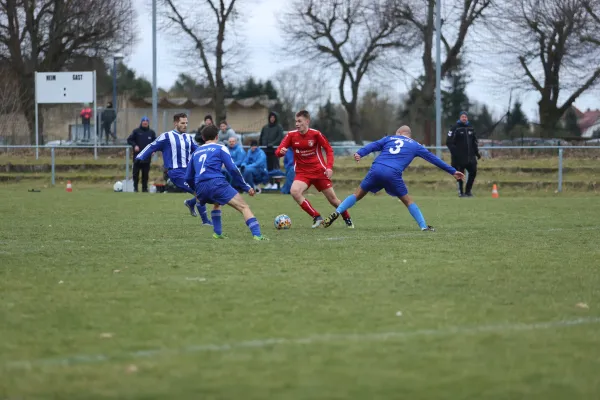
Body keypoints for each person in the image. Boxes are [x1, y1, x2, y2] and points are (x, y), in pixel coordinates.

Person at [323, 126, 464, 230]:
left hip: (376, 168)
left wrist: (360, 153)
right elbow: (434, 159)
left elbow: (373, 145)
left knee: (357, 194)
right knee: (407, 201)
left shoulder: (389, 138)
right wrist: (452, 171)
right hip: (393, 173)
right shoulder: (416, 145)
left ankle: (337, 212)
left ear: (400, 133)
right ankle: (423, 227)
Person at [185, 125, 268, 241]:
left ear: (203, 137)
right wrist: (246, 186)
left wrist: (196, 190)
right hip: (216, 183)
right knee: (244, 206)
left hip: (200, 186)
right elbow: (233, 169)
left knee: (216, 203)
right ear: (217, 136)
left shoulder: (196, 152)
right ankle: (258, 235)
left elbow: (188, 177)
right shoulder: (220, 148)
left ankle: (217, 233)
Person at [275, 110, 353, 228]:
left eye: (299, 121)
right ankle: (316, 217)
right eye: (296, 121)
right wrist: (281, 152)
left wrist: (329, 167)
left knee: (333, 200)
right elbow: (278, 151)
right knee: (294, 192)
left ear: (307, 121)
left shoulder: (316, 134)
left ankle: (347, 219)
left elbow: (329, 149)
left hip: (318, 172)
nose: (297, 124)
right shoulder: (291, 135)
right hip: (302, 173)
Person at [135, 112, 212, 225]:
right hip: (176, 173)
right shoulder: (166, 136)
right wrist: (140, 156)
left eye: (186, 123)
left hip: (190, 171)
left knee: (205, 191)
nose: (185, 125)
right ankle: (205, 221)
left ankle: (191, 203)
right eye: (182, 123)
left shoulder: (188, 137)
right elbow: (152, 146)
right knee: (199, 193)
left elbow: (198, 151)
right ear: (175, 123)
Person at [446, 111, 481, 197]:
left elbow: (474, 142)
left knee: (473, 172)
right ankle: (461, 193)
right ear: (460, 118)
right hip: (459, 158)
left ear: (467, 118)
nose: (464, 118)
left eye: (465, 117)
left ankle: (468, 191)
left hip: (470, 157)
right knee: (460, 174)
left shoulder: (471, 128)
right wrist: (455, 153)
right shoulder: (454, 128)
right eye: (462, 117)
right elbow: (449, 142)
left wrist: (477, 153)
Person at [127, 116, 157, 192]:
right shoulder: (136, 131)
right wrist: (135, 145)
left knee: (145, 174)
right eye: (143, 122)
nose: (145, 123)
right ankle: (135, 188)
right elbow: (129, 140)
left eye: (146, 122)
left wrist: (154, 150)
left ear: (148, 123)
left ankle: (144, 188)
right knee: (136, 174)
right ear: (141, 122)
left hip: (147, 157)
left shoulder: (151, 132)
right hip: (137, 156)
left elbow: (155, 143)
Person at [259, 111, 284, 189]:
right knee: (268, 167)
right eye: (271, 117)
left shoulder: (279, 127)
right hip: (266, 151)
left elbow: (280, 137)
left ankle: (277, 183)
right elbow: (261, 137)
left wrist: (272, 144)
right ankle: (270, 182)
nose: (272, 119)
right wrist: (261, 145)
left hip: (275, 150)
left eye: (273, 117)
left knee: (275, 167)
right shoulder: (265, 127)